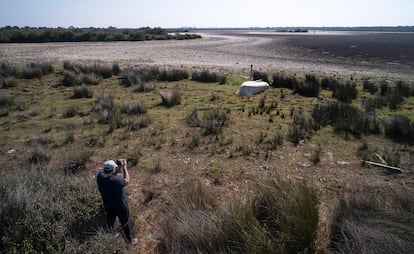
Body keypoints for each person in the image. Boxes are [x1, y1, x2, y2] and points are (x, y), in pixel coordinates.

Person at [96, 159, 138, 245]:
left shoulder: (99, 176)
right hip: (120, 206)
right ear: (113, 170)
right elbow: (126, 180)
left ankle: (110, 235)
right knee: (125, 222)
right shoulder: (116, 181)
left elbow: (110, 173)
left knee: (110, 221)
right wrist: (124, 167)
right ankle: (129, 240)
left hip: (108, 205)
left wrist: (117, 166)